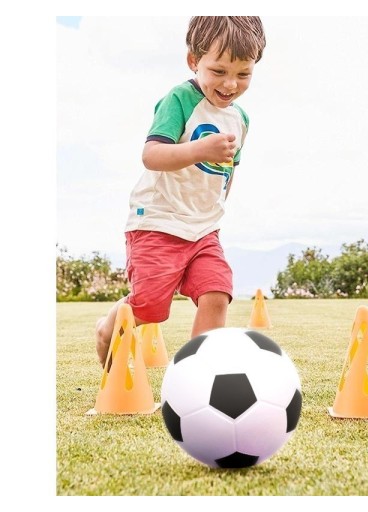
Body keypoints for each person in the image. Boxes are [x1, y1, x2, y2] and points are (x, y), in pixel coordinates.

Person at [95, 16, 266, 366]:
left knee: (217, 294)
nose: (230, 84)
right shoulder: (180, 100)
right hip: (158, 222)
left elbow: (228, 173)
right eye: (218, 71)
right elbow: (151, 155)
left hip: (203, 229)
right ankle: (106, 328)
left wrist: (215, 211)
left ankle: (197, 375)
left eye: (243, 74)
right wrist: (200, 150)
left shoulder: (240, 119)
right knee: (150, 307)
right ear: (193, 61)